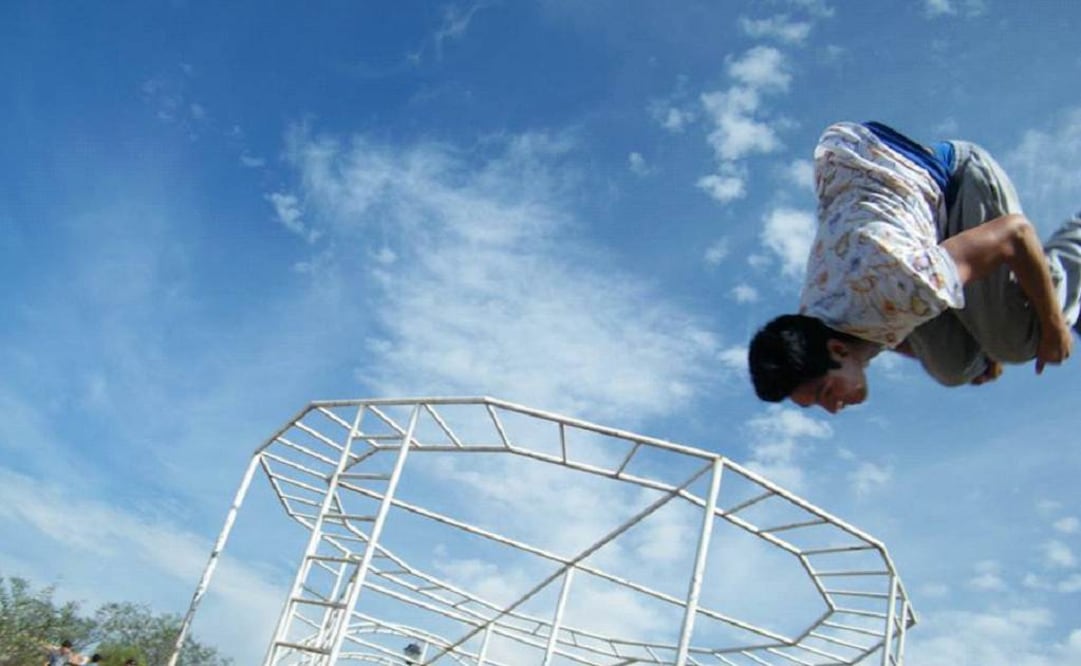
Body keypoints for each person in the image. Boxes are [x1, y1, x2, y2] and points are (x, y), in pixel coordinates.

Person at [748, 120, 1080, 413]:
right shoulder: (816, 321)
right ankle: (993, 323)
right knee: (955, 367)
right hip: (909, 240)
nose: (833, 408)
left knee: (1020, 341)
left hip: (957, 182)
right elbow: (890, 334)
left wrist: (1053, 328)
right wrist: (978, 356)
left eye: (825, 392)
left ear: (837, 350)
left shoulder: (897, 285)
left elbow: (1014, 233)